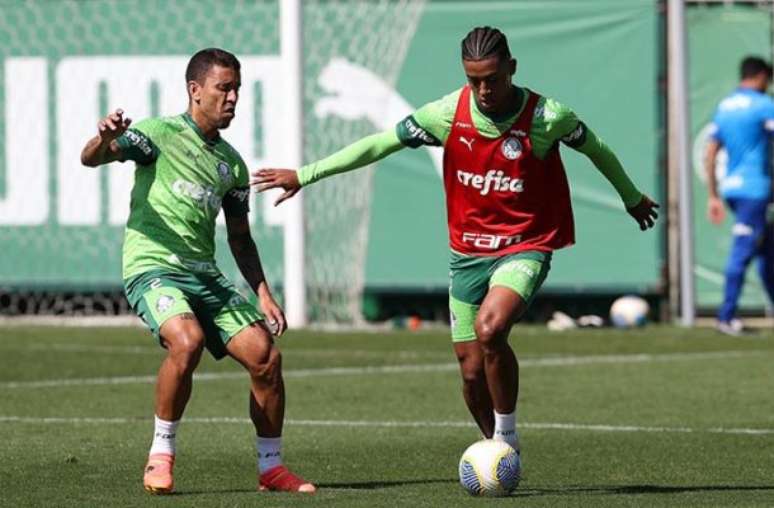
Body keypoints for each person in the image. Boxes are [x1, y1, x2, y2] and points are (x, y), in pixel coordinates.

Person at [252, 26, 658, 479]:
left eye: (492, 79)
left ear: (512, 69)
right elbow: (379, 144)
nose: (484, 90)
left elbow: (597, 149)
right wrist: (305, 174)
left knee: (491, 329)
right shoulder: (447, 113)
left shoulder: (547, 116)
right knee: (469, 372)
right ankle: (500, 459)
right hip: (466, 255)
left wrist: (631, 197)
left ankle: (506, 435)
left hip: (525, 245)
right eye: (473, 80)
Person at [80, 48, 315, 495]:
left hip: (203, 275)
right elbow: (93, 158)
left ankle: (271, 468)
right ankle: (160, 456)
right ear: (195, 90)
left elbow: (240, 238)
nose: (232, 98)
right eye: (223, 88)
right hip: (153, 266)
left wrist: (263, 292)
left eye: (237, 89)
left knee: (266, 357)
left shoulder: (232, 164)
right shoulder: (157, 135)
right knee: (187, 342)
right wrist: (102, 138)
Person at [705, 56, 774, 336]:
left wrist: (713, 195)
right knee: (743, 251)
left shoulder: (724, 107)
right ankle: (726, 316)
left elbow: (710, 154)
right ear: (759, 77)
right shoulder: (762, 105)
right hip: (755, 190)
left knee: (768, 251)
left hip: (732, 189)